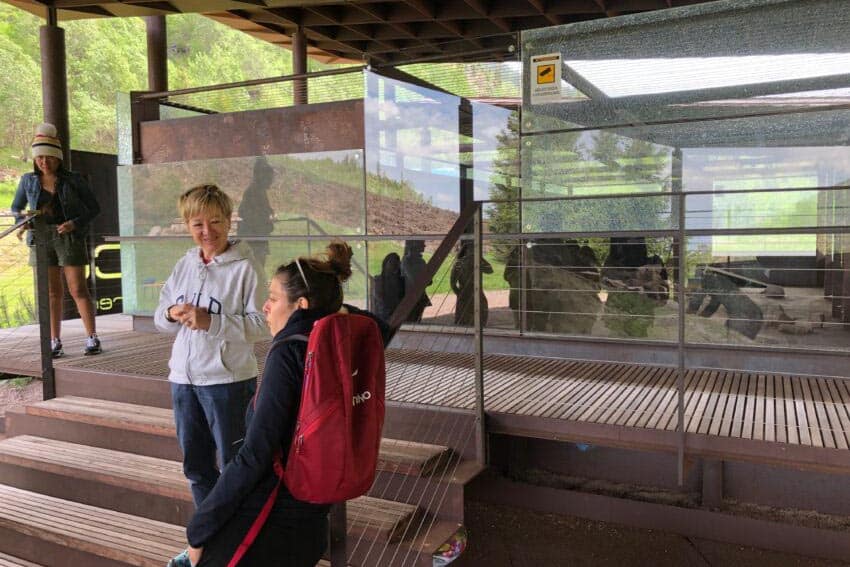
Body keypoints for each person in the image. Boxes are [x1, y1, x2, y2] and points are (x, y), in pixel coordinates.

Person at [177, 241, 388, 567]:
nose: (265, 307)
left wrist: (199, 528)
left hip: (270, 514)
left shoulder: (289, 351)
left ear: (300, 305)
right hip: (311, 519)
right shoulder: (338, 346)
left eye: (273, 298)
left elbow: (256, 453)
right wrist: (329, 310)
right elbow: (379, 325)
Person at [155, 184, 266, 514]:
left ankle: (240, 539)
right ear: (187, 226)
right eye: (197, 224)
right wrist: (170, 313)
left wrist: (212, 322)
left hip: (227, 383)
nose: (207, 232)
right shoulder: (185, 264)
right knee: (196, 468)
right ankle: (210, 539)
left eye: (215, 222)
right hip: (183, 381)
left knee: (236, 467)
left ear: (229, 221)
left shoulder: (247, 267)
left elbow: (265, 325)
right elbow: (161, 318)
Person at [11, 123, 102, 357]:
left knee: (77, 288)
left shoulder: (73, 180)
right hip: (40, 238)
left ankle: (92, 337)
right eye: (39, 157)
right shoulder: (28, 180)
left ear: (59, 158)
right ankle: (54, 341)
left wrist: (74, 223)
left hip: (68, 236)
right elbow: (16, 208)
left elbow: (94, 208)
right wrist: (22, 222)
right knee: (51, 292)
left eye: (49, 157)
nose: (44, 162)